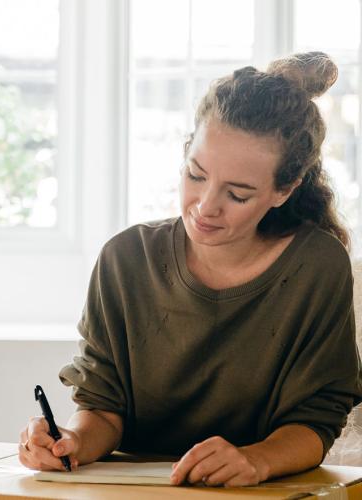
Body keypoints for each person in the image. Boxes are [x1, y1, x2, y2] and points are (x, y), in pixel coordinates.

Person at [19, 52, 362, 487]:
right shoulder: (125, 259)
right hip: (130, 493)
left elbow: (317, 419)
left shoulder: (317, 266)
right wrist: (69, 442)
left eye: (237, 195)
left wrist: (255, 459)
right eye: (196, 175)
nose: (205, 207)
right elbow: (103, 407)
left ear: (284, 190)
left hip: (255, 493)